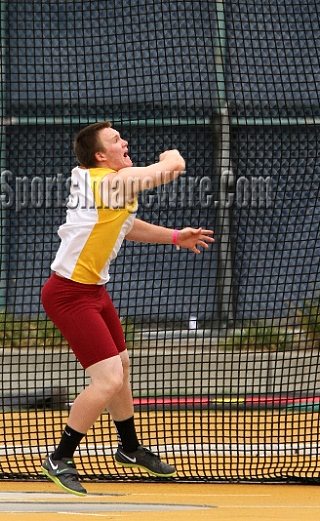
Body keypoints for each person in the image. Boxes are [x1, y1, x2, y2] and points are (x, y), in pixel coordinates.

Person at [40, 121, 214, 496]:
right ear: (100, 155)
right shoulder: (108, 182)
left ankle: (129, 448)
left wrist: (173, 237)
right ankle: (59, 458)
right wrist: (172, 156)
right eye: (116, 140)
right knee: (107, 380)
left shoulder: (107, 188)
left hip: (94, 292)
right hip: (69, 294)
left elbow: (126, 226)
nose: (125, 142)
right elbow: (171, 168)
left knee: (122, 365)